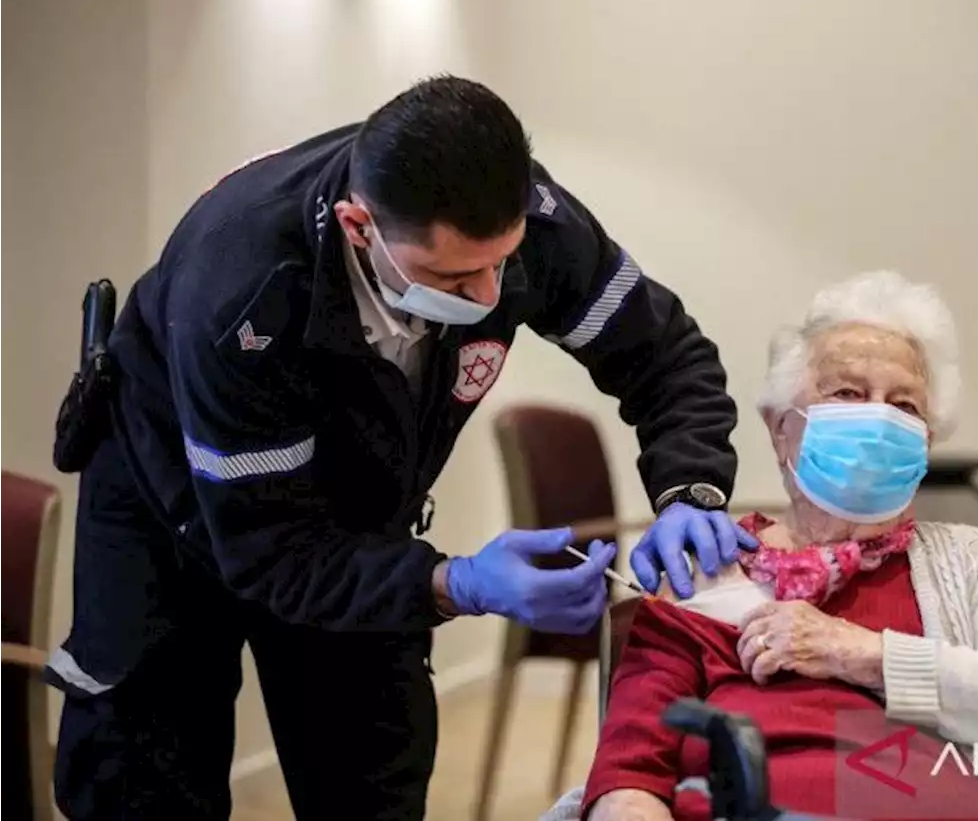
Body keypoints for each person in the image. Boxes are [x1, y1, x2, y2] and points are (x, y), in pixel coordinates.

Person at [46, 75, 758, 821]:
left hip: (354, 512)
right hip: (172, 514)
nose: (488, 295)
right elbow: (274, 553)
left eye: (501, 263)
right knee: (144, 775)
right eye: (453, 276)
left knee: (375, 768)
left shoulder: (530, 227)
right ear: (360, 228)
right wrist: (458, 583)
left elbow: (667, 360)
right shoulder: (239, 288)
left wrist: (692, 491)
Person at [547, 272, 978, 821]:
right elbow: (629, 783)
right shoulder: (708, 573)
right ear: (781, 427)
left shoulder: (973, 563)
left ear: (927, 441)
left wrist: (861, 653)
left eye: (904, 405)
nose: (877, 418)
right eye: (847, 393)